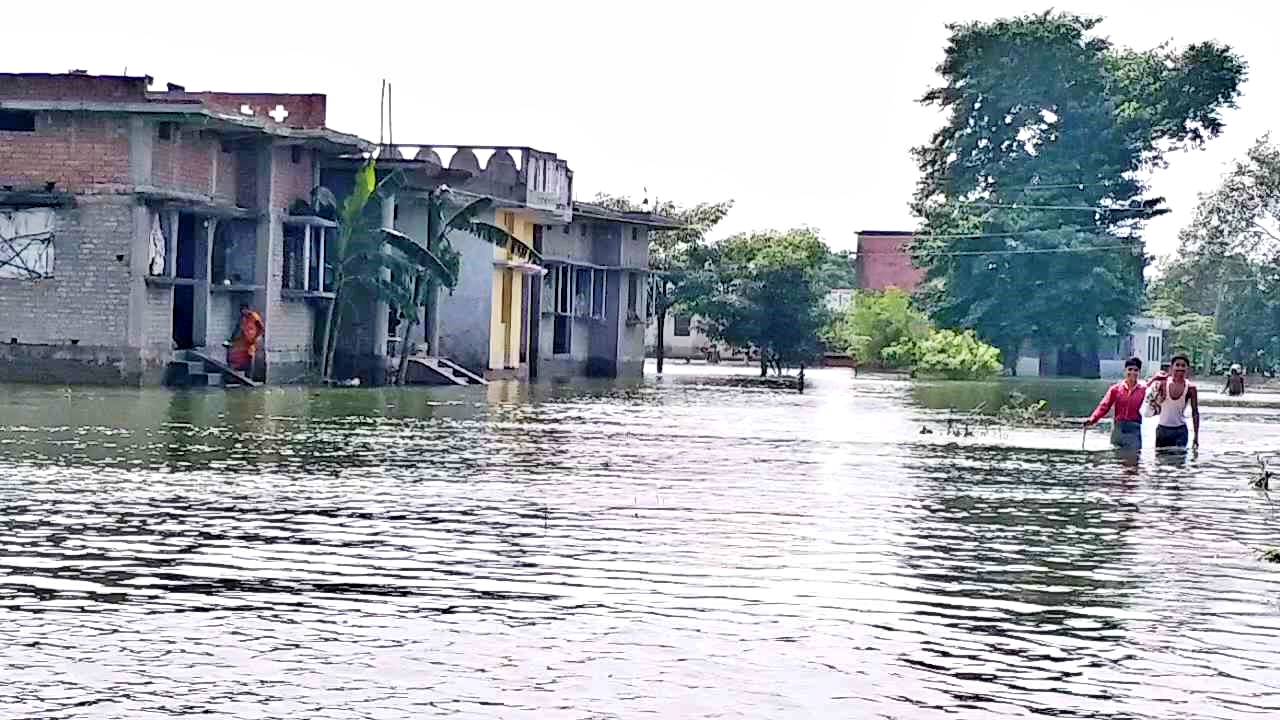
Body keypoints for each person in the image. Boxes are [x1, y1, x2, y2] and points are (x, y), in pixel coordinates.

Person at [1084, 356, 1147, 450]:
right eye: (1130, 369)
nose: (1132, 373)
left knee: (1133, 458)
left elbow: (1153, 402)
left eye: (1136, 370)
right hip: (1118, 428)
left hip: (1134, 429)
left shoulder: (1144, 390)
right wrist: (1093, 419)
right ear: (1125, 371)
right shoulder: (1116, 389)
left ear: (1139, 372)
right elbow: (1104, 406)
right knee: (1116, 458)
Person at [1147, 354, 1200, 449]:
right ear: (1171, 368)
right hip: (1162, 430)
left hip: (1180, 431)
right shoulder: (1162, 383)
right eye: (1177, 365)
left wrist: (1196, 437)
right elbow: (1145, 395)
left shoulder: (1191, 388)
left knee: (1179, 461)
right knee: (1160, 462)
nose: (1180, 368)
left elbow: (1195, 412)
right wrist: (1154, 379)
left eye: (1183, 366)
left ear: (1187, 369)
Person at [227, 304, 264, 373]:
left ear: (247, 309)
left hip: (252, 340)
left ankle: (249, 374)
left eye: (244, 310)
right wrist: (232, 338)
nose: (243, 312)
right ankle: (241, 371)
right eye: (242, 311)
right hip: (245, 340)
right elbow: (238, 328)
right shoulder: (243, 318)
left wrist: (257, 337)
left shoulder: (254, 316)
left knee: (251, 357)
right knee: (243, 356)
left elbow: (261, 327)